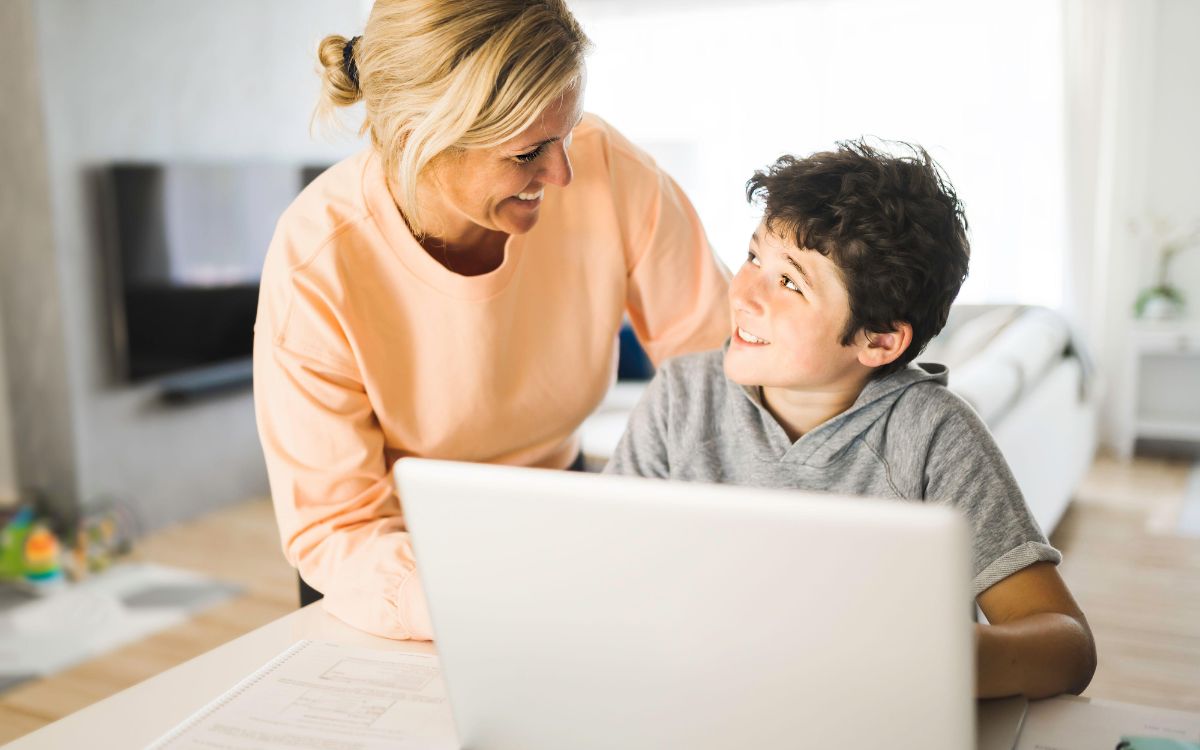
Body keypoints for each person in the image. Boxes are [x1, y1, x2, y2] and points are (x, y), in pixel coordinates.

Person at [254, 0, 730, 640]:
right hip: (393, 565)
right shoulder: (317, 258)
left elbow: (721, 366)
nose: (562, 173)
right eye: (529, 152)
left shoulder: (608, 171)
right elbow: (339, 526)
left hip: (558, 513)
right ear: (415, 140)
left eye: (568, 132)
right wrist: (464, 609)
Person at [604, 141, 1097, 699]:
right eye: (752, 257)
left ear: (879, 340)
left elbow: (1069, 646)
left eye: (789, 282)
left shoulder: (932, 437)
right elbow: (606, 565)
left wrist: (926, 658)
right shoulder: (680, 397)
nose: (742, 294)